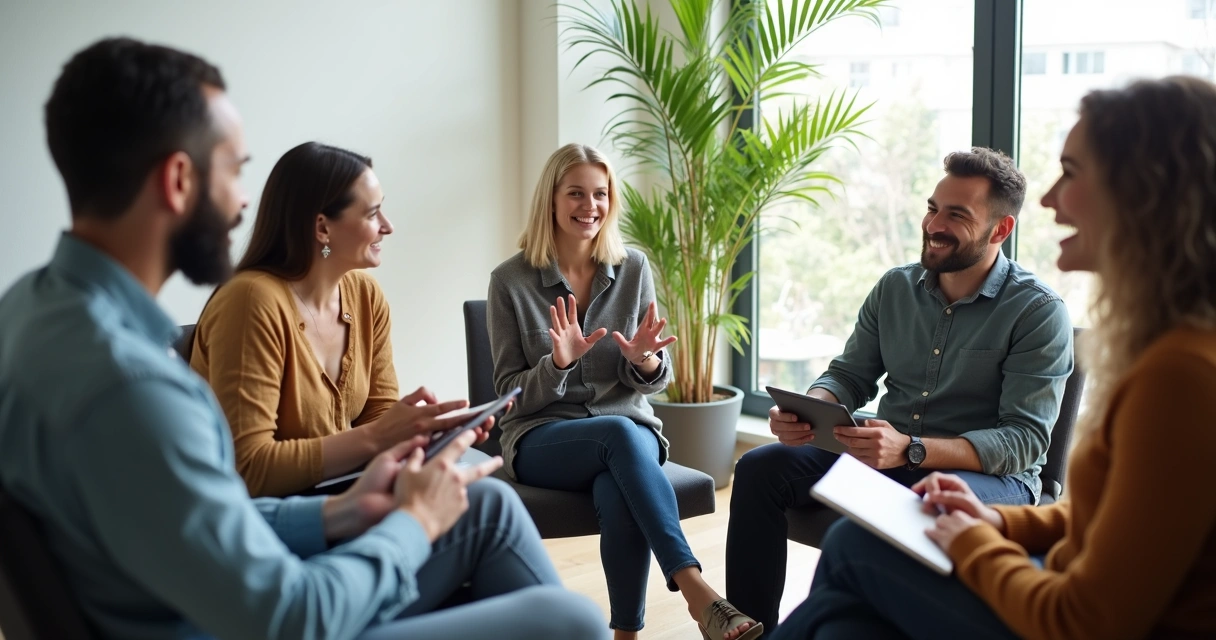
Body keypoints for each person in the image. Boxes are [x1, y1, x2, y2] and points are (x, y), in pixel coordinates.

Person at [0, 37, 606, 640]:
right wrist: (414, 520)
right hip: (243, 622)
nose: (243, 201)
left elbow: (204, 517)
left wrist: (341, 510)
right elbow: (292, 617)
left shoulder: (29, 309)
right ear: (178, 181)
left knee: (488, 507)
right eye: (235, 170)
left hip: (195, 592)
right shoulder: (135, 387)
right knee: (573, 620)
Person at [769, 74, 1216, 640]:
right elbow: (1108, 519)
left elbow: (1084, 619)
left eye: (1071, 174)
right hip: (1035, 557)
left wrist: (973, 536)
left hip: (1059, 599)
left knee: (858, 545)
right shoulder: (1172, 352)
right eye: (934, 208)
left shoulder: (1180, 376)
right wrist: (994, 522)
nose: (1050, 199)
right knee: (844, 623)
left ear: (1145, 194)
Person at [726, 148, 1074, 634]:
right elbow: (848, 374)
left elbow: (1023, 441)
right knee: (761, 467)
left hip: (993, 480)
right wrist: (813, 407)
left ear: (1000, 230)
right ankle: (748, 629)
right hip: (888, 456)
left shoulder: (1037, 312)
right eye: (933, 208)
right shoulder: (895, 288)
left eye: (957, 215)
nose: (935, 224)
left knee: (881, 519)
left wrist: (911, 450)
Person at [487, 143, 760, 640]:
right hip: (542, 438)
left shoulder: (632, 268)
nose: (589, 206)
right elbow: (507, 394)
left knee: (619, 480)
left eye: (600, 194)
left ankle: (626, 635)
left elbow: (655, 378)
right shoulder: (510, 281)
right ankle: (699, 592)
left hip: (629, 437)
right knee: (618, 434)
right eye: (575, 193)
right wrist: (558, 364)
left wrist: (645, 360)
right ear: (550, 199)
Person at [190, 141, 472, 498]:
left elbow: (378, 416)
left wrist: (425, 441)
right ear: (322, 228)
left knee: (472, 488)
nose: (388, 226)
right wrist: (379, 439)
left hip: (344, 496)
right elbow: (248, 468)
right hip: (264, 519)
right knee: (487, 504)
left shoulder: (366, 296)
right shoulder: (251, 301)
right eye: (372, 214)